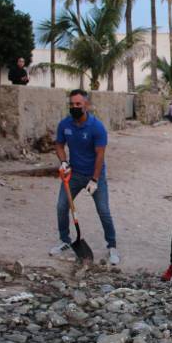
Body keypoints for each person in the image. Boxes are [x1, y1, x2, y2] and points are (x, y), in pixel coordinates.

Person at [50, 89, 119, 265]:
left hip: (94, 175)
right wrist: (63, 162)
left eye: (78, 104)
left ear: (86, 105)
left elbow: (100, 155)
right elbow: (58, 144)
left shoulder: (97, 127)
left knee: (103, 210)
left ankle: (112, 246)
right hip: (73, 175)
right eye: (72, 104)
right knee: (61, 206)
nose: (74, 107)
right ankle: (65, 241)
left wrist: (95, 180)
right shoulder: (65, 124)